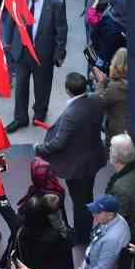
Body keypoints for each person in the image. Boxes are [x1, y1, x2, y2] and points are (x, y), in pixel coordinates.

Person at [37, 74, 109, 244]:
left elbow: (58, 144)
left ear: (68, 90)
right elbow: (100, 92)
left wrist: (38, 148)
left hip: (77, 166)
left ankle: (82, 236)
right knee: (87, 195)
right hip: (93, 158)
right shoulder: (96, 100)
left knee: (79, 201)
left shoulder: (71, 113)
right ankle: (86, 228)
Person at [8, 0, 67, 131]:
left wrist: (58, 53)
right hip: (22, 51)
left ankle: (39, 114)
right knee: (20, 85)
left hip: (43, 53)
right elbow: (12, 20)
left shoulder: (55, 3)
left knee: (42, 86)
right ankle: (20, 118)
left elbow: (61, 30)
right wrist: (7, 43)